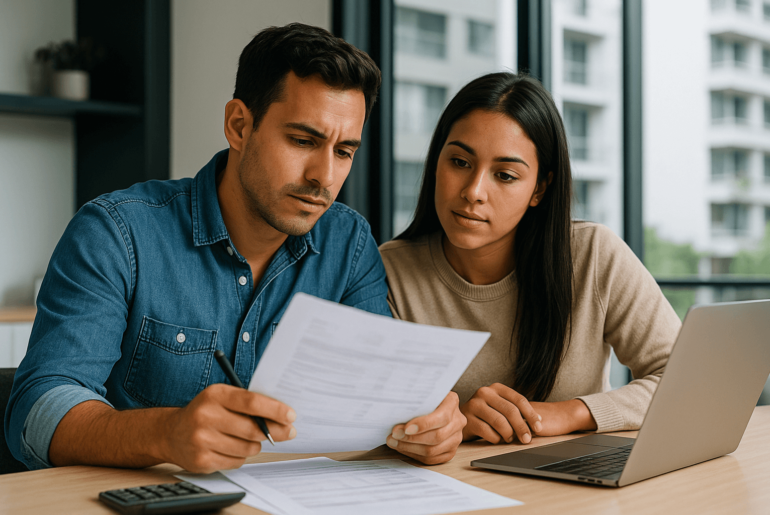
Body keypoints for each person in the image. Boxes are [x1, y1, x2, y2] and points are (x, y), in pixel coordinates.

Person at [5, 23, 462, 473]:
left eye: (344, 151)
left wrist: (425, 425)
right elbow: (36, 410)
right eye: (303, 141)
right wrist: (165, 434)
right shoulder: (116, 233)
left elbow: (381, 395)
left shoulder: (349, 244)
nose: (324, 177)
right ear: (239, 126)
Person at [381, 72, 681, 454]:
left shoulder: (593, 255)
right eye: (459, 161)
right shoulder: (388, 272)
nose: (473, 192)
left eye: (505, 175)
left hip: (575, 480)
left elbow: (685, 378)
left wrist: (568, 414)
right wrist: (459, 424)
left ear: (539, 188)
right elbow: (371, 414)